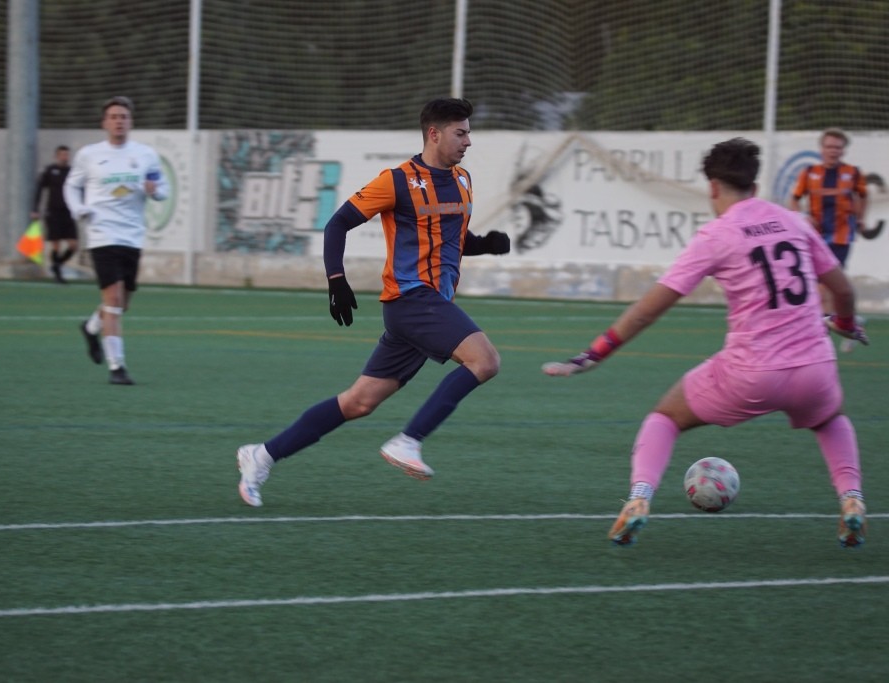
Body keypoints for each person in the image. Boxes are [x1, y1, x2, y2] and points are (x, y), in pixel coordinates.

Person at [543, 137, 869, 548]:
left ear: (713, 186)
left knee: (665, 417)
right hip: (814, 368)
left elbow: (647, 310)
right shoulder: (793, 221)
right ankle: (852, 499)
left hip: (752, 372)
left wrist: (593, 354)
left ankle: (639, 498)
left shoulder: (717, 234)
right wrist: (844, 323)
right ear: (754, 183)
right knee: (830, 420)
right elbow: (843, 289)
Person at [236, 97, 511, 507]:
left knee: (358, 402)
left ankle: (262, 455)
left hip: (428, 308)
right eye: (461, 133)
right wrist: (336, 279)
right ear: (434, 134)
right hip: (412, 300)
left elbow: (451, 239)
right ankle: (409, 440)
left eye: (469, 132)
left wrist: (484, 244)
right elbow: (338, 223)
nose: (468, 141)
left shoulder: (462, 180)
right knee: (485, 361)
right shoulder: (397, 181)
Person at [63, 96, 169, 385]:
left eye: (123, 116)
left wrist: (155, 190)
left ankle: (90, 327)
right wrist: (78, 209)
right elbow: (71, 185)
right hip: (102, 233)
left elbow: (163, 189)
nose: (119, 121)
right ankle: (116, 367)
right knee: (112, 300)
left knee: (123, 303)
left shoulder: (145, 155)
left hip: (132, 235)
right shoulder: (89, 155)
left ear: (130, 122)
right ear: (104, 123)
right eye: (113, 117)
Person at [786, 127, 868, 350]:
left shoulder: (852, 173)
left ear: (843, 150)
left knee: (825, 287)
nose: (833, 151)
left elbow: (862, 195)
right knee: (818, 286)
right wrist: (801, 217)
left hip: (841, 237)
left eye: (838, 148)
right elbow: (794, 199)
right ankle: (850, 323)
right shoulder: (809, 173)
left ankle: (823, 336)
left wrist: (860, 218)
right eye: (829, 146)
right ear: (822, 149)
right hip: (815, 238)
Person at [32, 145, 79, 283]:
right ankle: (58, 275)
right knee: (56, 245)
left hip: (68, 212)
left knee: (73, 245)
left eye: (67, 155)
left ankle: (57, 265)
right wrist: (35, 209)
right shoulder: (49, 171)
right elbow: (39, 189)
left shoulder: (72, 172)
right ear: (56, 156)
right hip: (53, 212)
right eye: (62, 155)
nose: (65, 157)